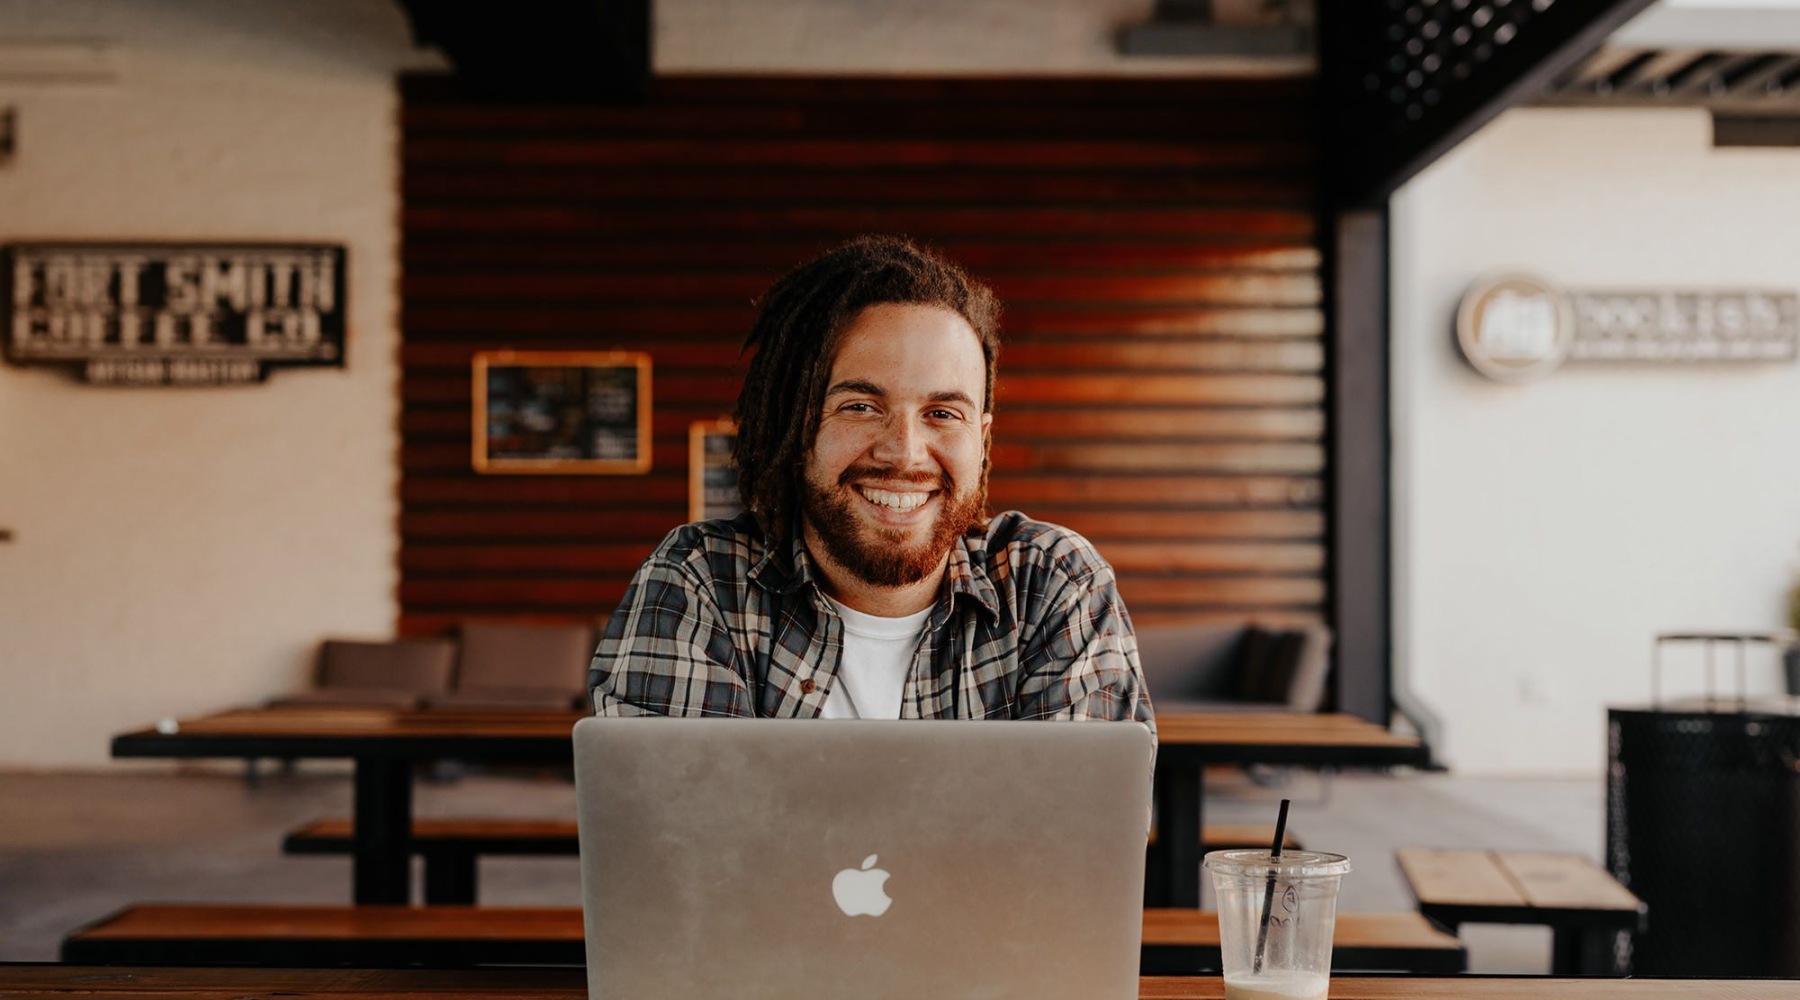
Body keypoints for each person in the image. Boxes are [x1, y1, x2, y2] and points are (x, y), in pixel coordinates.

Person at [589, 234, 1153, 734]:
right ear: (796, 421)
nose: (903, 452)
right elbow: (677, 844)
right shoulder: (700, 585)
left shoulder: (1053, 586)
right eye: (860, 405)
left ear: (982, 439)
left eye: (942, 413)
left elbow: (1072, 848)